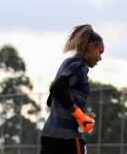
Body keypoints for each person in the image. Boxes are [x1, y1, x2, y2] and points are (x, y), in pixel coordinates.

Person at [40, 24, 104, 154]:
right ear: (91, 47)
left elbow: (51, 100)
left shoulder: (67, 63)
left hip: (49, 135)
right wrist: (79, 115)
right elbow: (57, 88)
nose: (100, 57)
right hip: (68, 138)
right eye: (100, 52)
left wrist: (77, 113)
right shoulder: (80, 66)